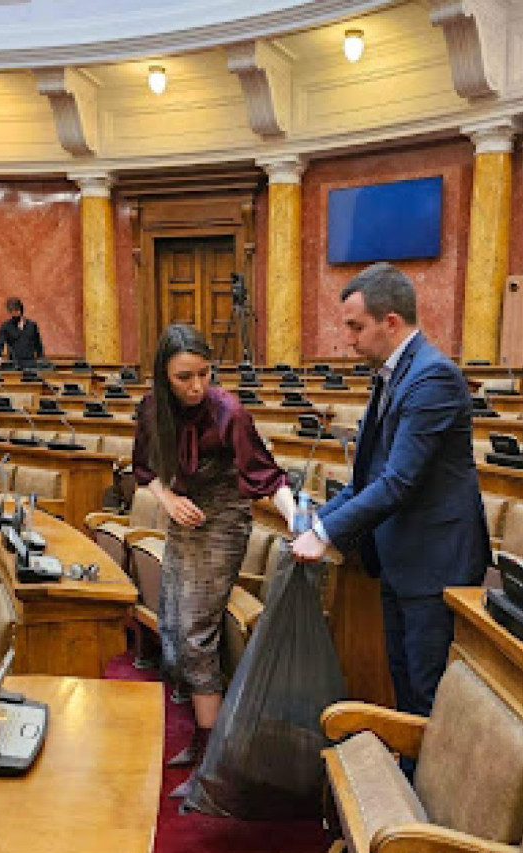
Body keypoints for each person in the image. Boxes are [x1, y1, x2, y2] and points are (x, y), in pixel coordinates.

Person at [292, 262, 490, 724]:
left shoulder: (433, 378)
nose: (348, 339)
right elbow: (367, 479)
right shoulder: (391, 374)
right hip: (400, 557)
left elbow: (398, 481)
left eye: (356, 327)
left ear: (391, 322)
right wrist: (317, 522)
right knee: (403, 681)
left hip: (434, 563)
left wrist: (324, 534)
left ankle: (429, 772)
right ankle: (409, 763)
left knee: (426, 691)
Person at [132, 323, 295, 800]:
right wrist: (167, 500)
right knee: (172, 620)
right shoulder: (152, 408)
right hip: (183, 514)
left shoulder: (229, 412)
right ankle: (204, 739)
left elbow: (268, 476)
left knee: (194, 631)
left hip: (223, 519)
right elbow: (145, 469)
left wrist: (297, 520)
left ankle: (214, 761)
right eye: (184, 377)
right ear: (163, 376)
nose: (197, 386)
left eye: (204, 373)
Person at [0, 297, 43, 368]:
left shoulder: (32, 325)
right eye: (11, 311)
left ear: (21, 309)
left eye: (16, 310)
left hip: (30, 363)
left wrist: (41, 358)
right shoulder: (6, 326)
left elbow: (38, 344)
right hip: (14, 363)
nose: (14, 313)